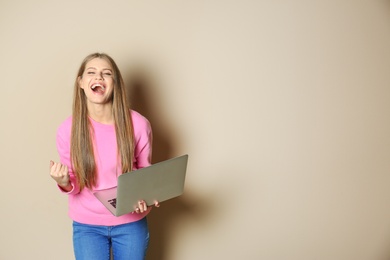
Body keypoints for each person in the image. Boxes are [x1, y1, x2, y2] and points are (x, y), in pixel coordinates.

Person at [49, 53, 158, 260]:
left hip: (130, 224)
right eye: (91, 72)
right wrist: (64, 182)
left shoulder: (138, 124)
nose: (98, 77)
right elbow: (73, 182)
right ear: (81, 82)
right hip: (87, 227)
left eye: (106, 73)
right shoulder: (67, 130)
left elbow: (145, 174)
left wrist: (148, 196)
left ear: (115, 83)